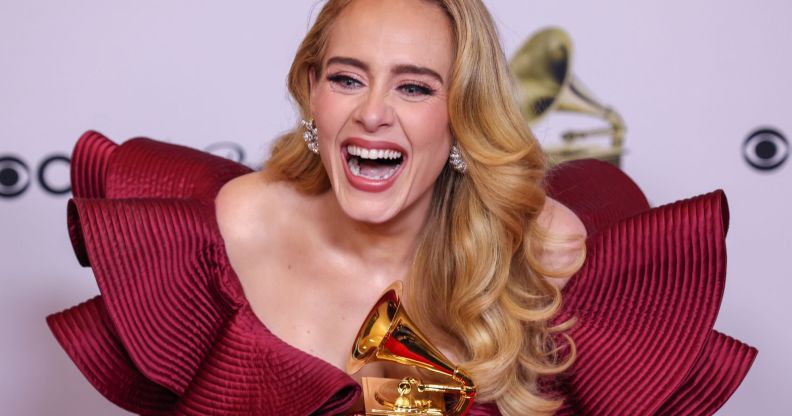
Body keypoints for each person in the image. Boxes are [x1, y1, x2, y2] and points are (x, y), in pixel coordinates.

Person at [47, 0, 756, 415]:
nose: (373, 114)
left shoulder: (542, 253)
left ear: (462, 116)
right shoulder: (220, 236)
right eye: (347, 78)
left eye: (415, 88)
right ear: (312, 95)